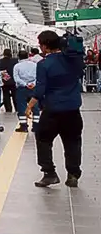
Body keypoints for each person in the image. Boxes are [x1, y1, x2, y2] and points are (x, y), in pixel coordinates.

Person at [26, 31, 85, 188]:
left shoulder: (43, 64)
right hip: (73, 110)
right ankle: (73, 174)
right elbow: (80, 74)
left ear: (45, 46)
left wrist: (30, 105)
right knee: (73, 142)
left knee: (43, 140)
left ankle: (49, 173)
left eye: (40, 44)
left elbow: (40, 90)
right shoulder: (74, 61)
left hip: (52, 111)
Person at [13, 49, 38, 133]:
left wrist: (25, 84)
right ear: (28, 56)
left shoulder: (17, 66)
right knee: (35, 106)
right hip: (34, 88)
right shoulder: (35, 65)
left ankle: (23, 126)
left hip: (22, 89)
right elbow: (38, 76)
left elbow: (16, 78)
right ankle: (36, 126)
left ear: (18, 57)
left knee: (21, 107)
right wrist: (33, 84)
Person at [0, 48, 18, 113]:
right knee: (15, 95)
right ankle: (17, 108)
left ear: (4, 54)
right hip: (13, 82)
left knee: (6, 96)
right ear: (11, 54)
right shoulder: (15, 60)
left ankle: (8, 109)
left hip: (4, 82)